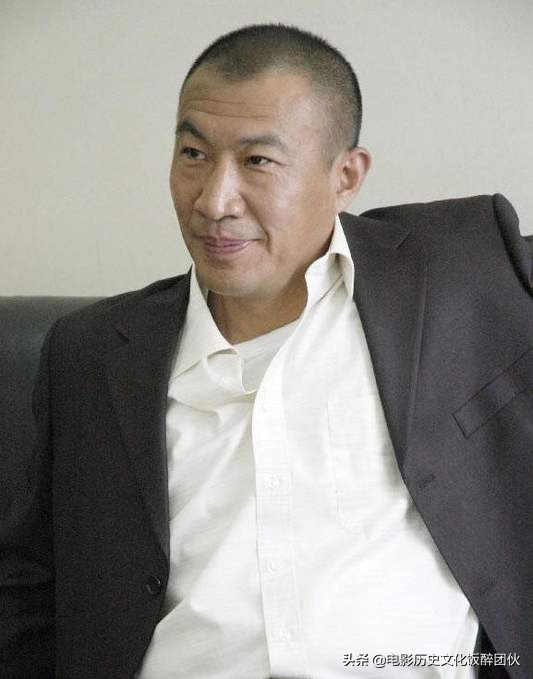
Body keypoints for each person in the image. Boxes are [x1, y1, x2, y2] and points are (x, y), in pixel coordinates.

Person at [1, 23, 532, 679]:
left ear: (345, 176)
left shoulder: (460, 268)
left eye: (257, 162)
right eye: (193, 153)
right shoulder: (89, 355)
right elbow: (31, 589)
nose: (214, 201)